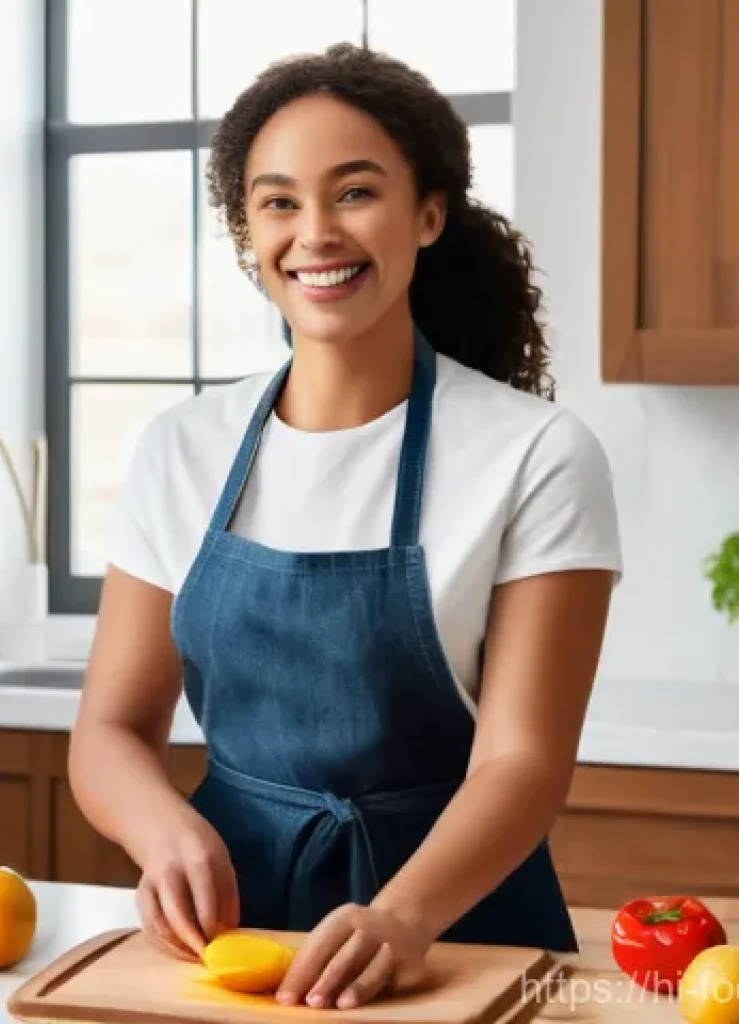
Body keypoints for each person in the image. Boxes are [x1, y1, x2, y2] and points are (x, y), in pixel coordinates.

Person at [69, 42, 622, 1011]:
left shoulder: (536, 454)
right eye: (278, 202)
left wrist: (405, 917)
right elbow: (109, 730)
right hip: (226, 948)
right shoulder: (179, 448)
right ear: (248, 234)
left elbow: (523, 763)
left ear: (429, 212)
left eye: (354, 192)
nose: (314, 233)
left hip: (461, 939)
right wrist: (166, 831)